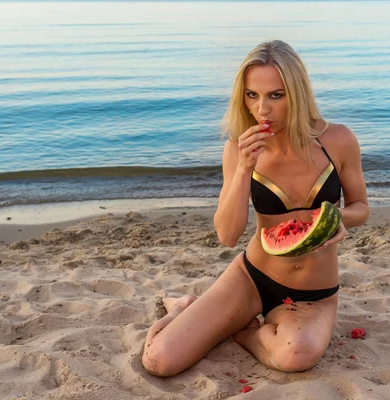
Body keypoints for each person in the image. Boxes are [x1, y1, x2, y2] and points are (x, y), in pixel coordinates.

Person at [142, 40, 369, 377]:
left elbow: (361, 207)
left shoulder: (338, 140)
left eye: (276, 95)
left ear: (298, 92)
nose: (263, 109)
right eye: (252, 95)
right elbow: (228, 235)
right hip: (252, 276)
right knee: (159, 361)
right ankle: (186, 308)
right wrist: (244, 168)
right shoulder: (238, 148)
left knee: (296, 356)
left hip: (314, 294)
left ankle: (237, 328)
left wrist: (337, 220)